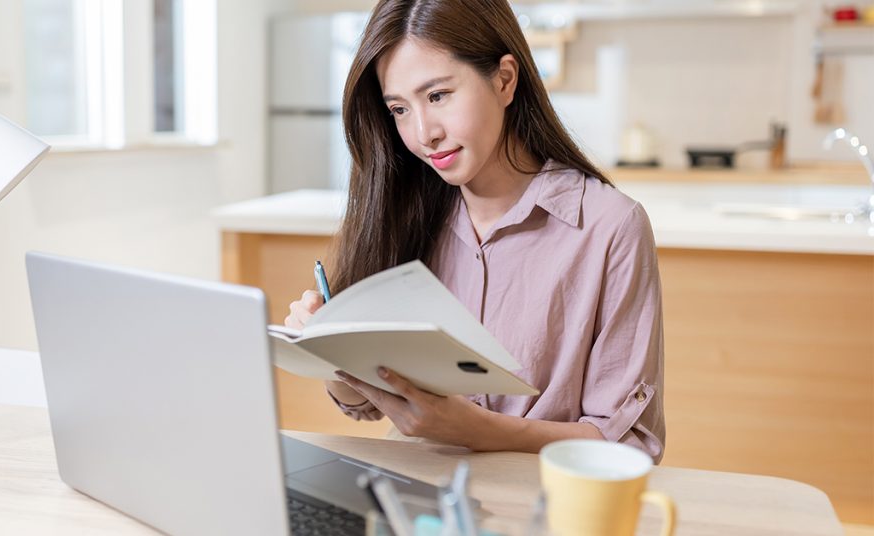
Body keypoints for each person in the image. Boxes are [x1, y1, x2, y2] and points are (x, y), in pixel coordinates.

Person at [284, 0, 665, 462]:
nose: (424, 133)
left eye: (438, 96)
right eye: (400, 109)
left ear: (504, 79)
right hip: (413, 495)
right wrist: (333, 355)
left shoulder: (609, 227)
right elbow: (362, 405)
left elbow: (629, 445)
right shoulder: (405, 210)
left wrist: (477, 430)